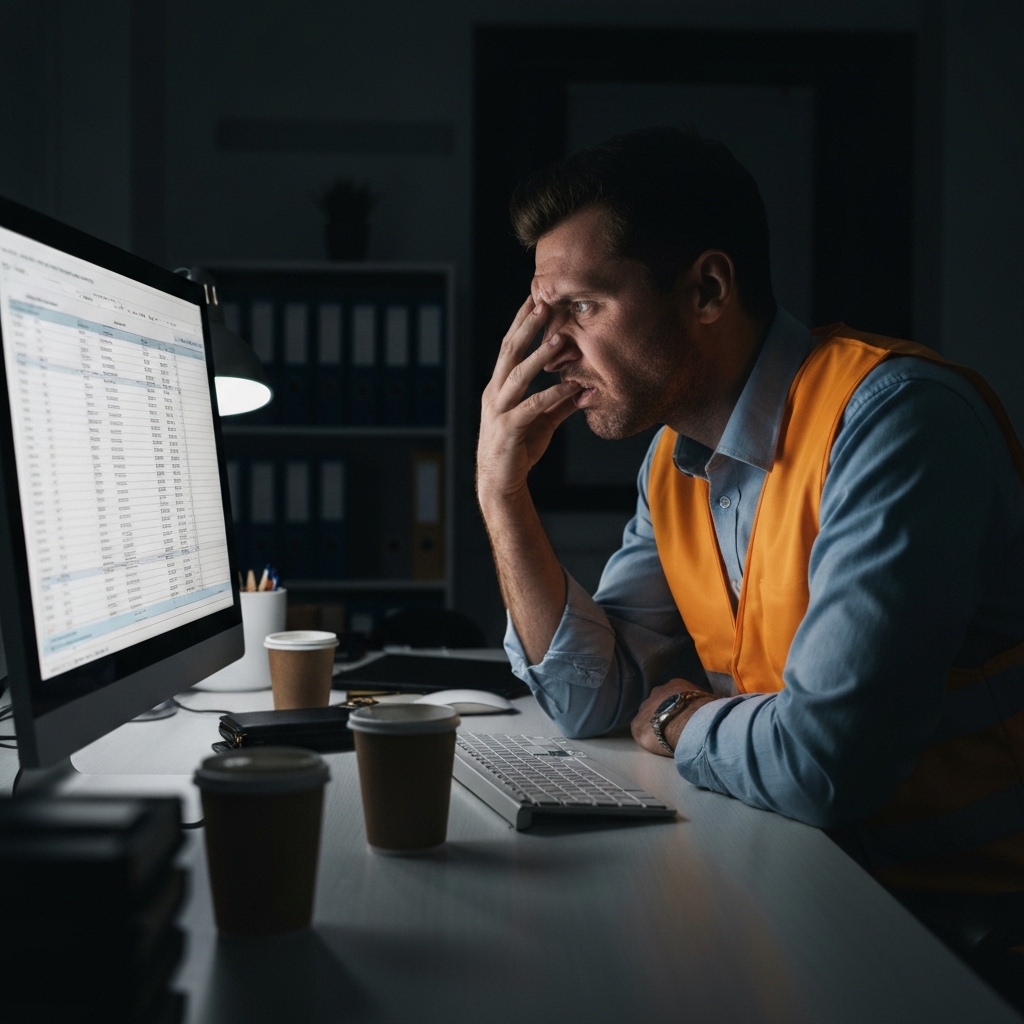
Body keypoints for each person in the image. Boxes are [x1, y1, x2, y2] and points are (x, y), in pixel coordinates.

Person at [476, 127, 1024, 974]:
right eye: (541, 314)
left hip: (963, 924)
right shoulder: (674, 460)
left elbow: (821, 763)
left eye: (581, 306)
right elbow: (596, 699)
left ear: (707, 289)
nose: (551, 350)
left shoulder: (896, 424)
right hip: (810, 885)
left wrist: (677, 717)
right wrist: (500, 495)